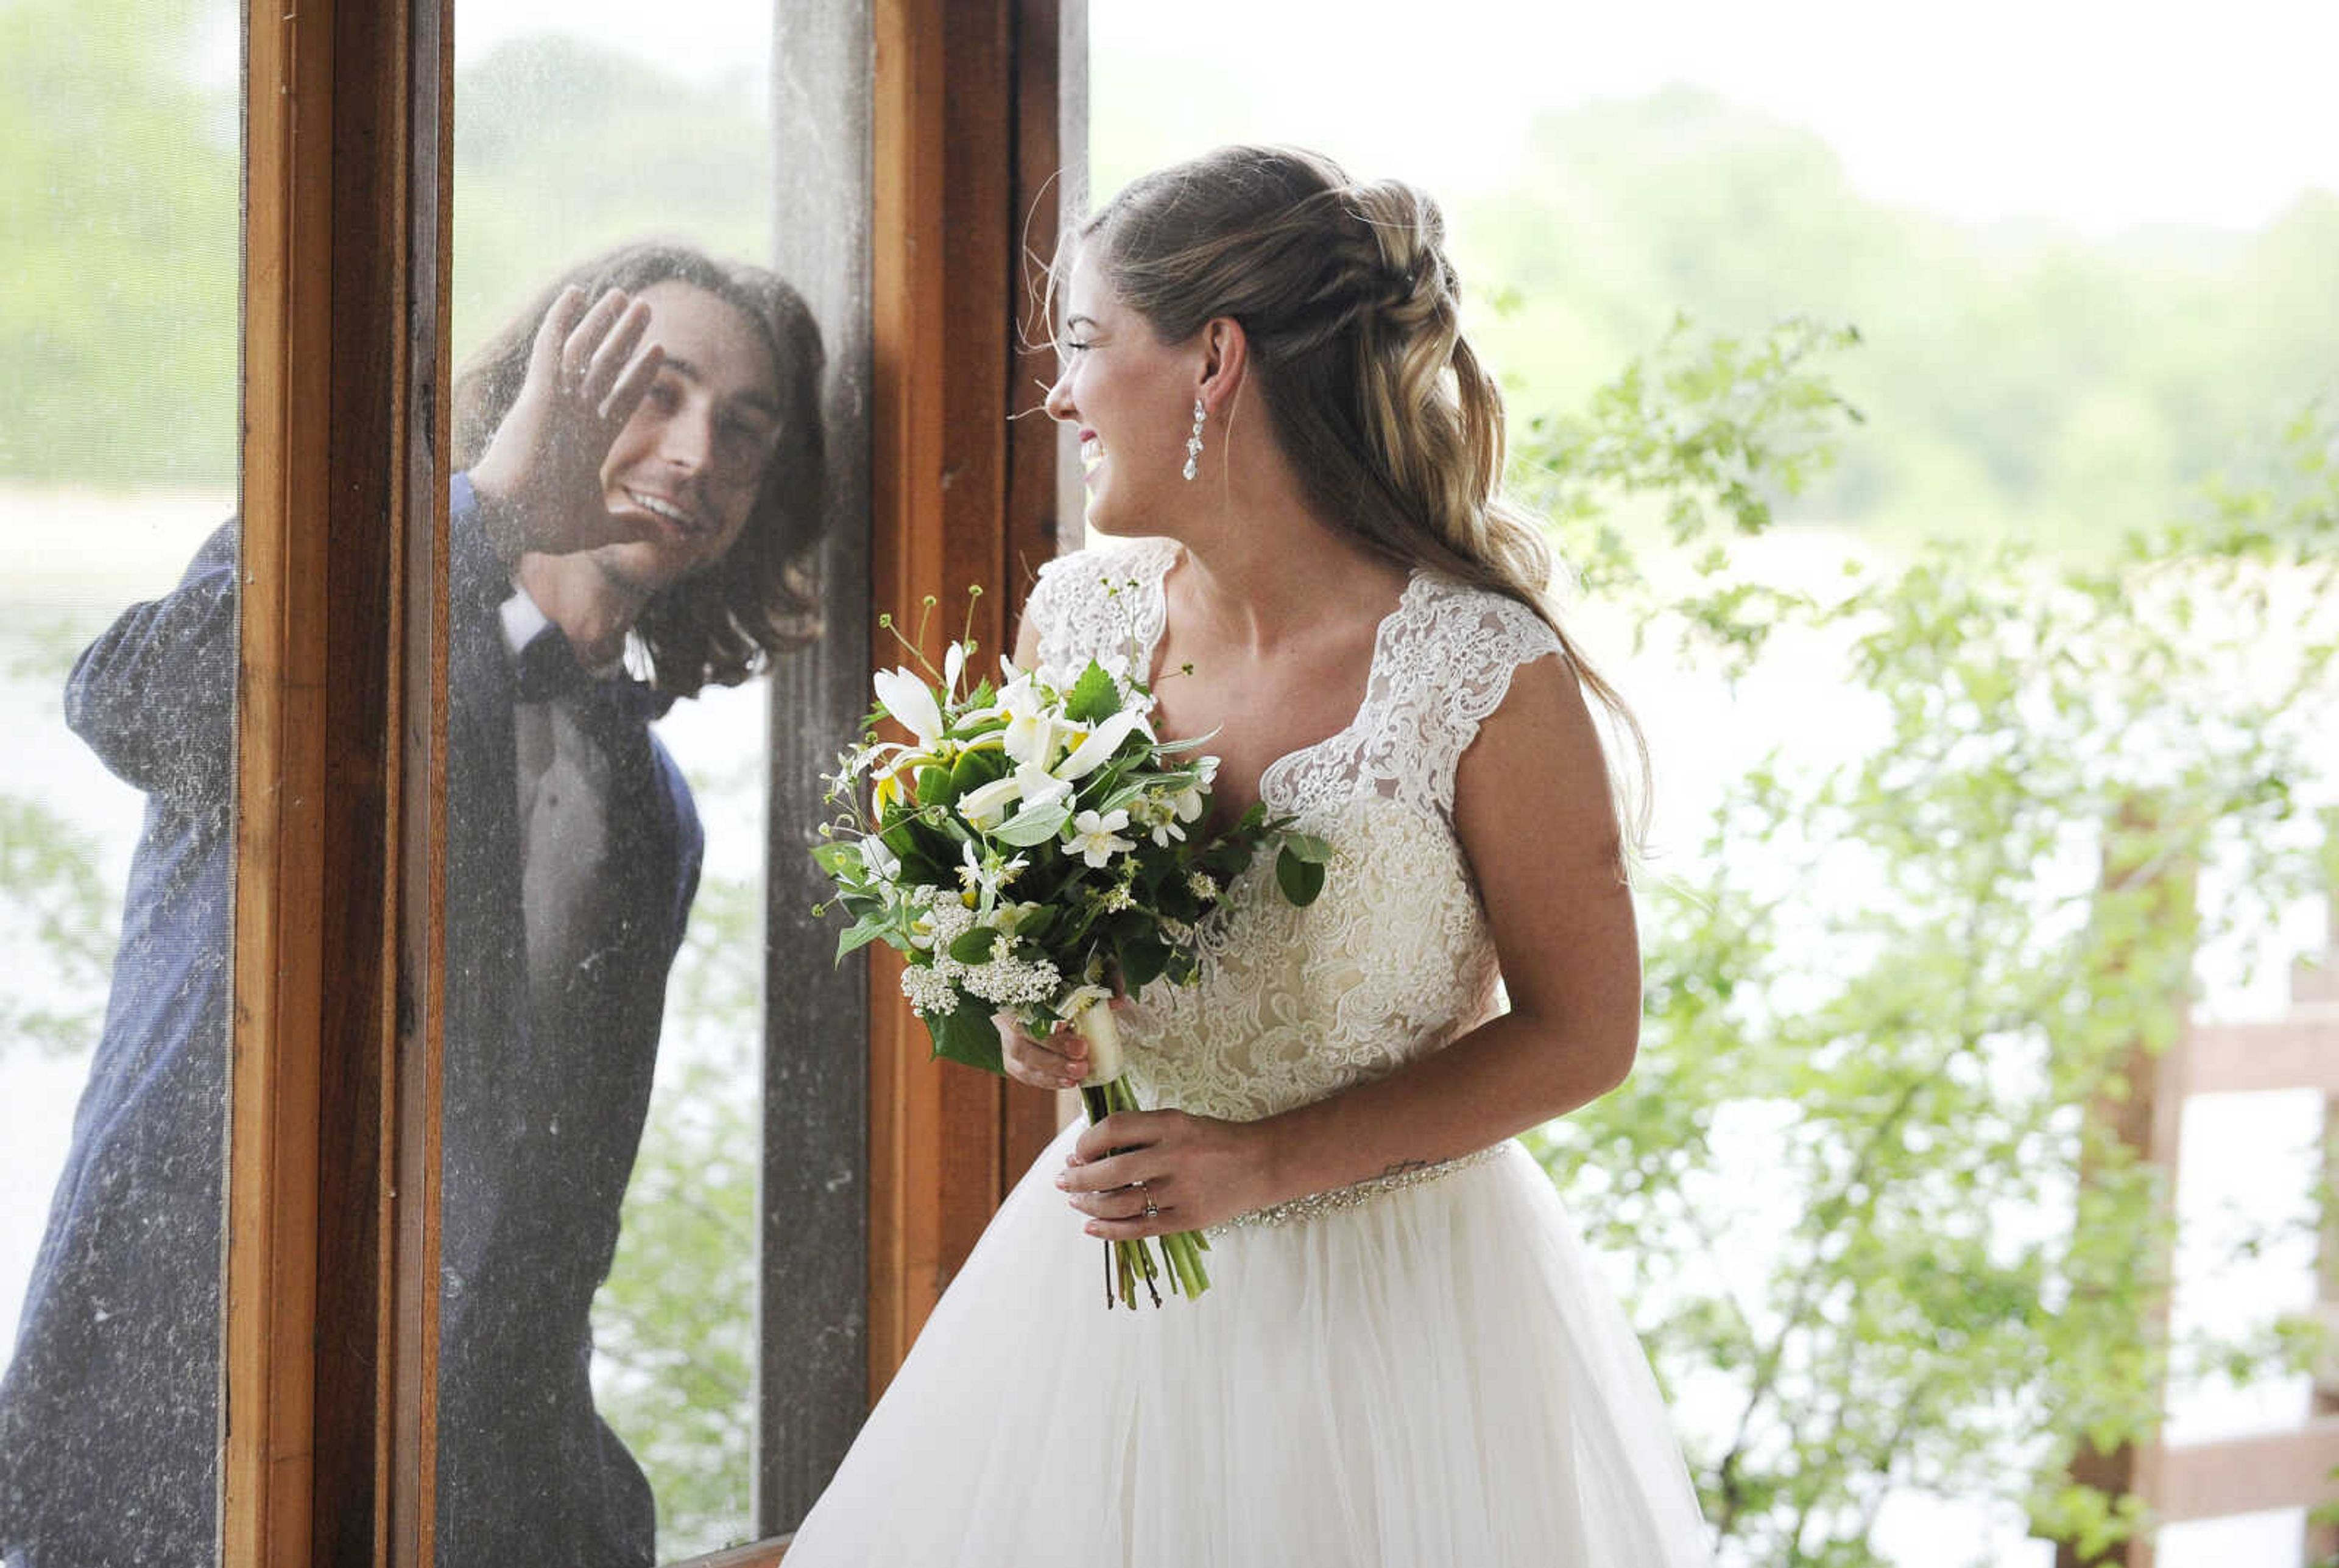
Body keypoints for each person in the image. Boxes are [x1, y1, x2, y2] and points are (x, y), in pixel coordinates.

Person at [782, 146, 1710, 1565]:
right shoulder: (1075, 622)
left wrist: (1266, 1161)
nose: (1058, 391)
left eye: (1086, 343)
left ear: (1214, 361)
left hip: (1404, 1328)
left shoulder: (1478, 669)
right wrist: (1043, 1012)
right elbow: (1065, 941)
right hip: (1106, 1310)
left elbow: (1589, 1034)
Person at [0, 240, 825, 1568]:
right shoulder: (344, 582)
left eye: (743, 428)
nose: (692, 453)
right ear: (548, 388)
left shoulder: (659, 811)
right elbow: (125, 701)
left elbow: (563, 1215)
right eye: (650, 392)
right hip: (180, 1424)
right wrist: (486, 511)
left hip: (476, 1490)